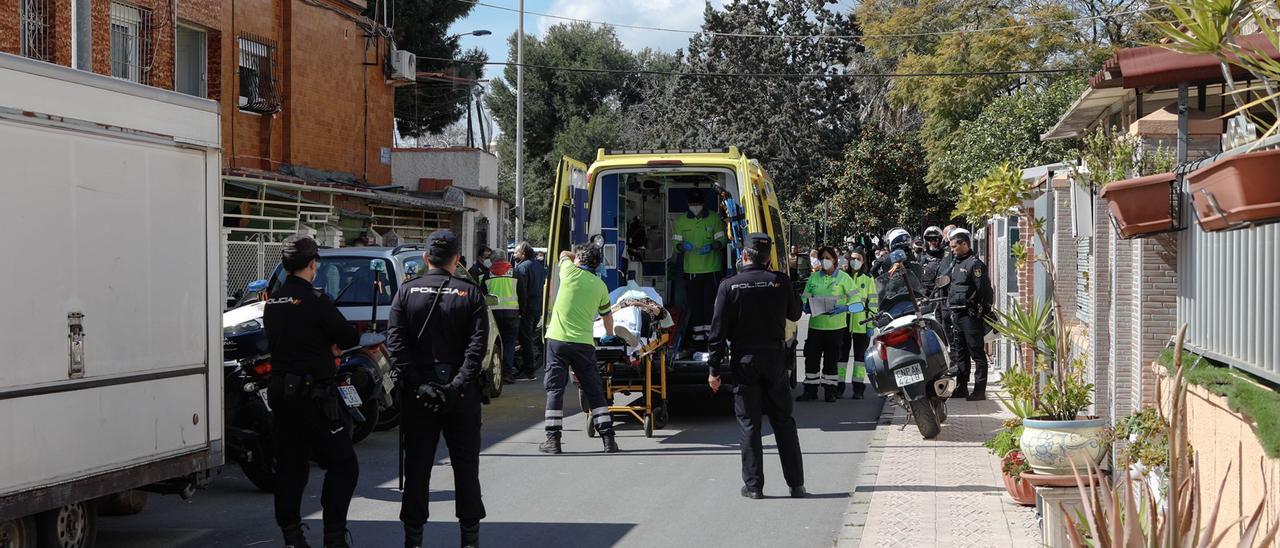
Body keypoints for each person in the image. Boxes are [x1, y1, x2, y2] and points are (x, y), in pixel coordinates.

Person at [386, 230, 489, 548]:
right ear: (457, 259)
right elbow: (477, 349)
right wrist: (457, 387)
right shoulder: (470, 294)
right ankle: (469, 539)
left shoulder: (405, 292)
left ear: (425, 258)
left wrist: (418, 385)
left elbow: (396, 344)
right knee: (466, 467)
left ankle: (413, 538)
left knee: (417, 468)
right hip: (461, 397)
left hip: (419, 398)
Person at [262, 235, 361, 548]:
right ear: (312, 264)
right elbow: (346, 336)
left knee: (291, 466)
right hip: (312, 396)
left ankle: (291, 535)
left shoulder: (272, 302)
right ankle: (334, 537)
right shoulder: (315, 299)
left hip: (281, 393)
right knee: (343, 463)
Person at [706, 233, 806, 499]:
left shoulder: (730, 286)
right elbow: (795, 314)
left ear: (744, 255)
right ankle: (796, 484)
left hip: (744, 360)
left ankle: (754, 487)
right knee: (783, 421)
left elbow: (717, 333)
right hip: (774, 359)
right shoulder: (780, 282)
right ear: (768, 256)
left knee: (750, 425)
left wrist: (714, 370)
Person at [540, 243, 620, 454]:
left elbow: (563, 253)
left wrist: (576, 257)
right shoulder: (600, 286)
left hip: (557, 341)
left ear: (579, 261)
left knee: (555, 389)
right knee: (594, 390)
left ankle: (553, 440)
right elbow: (607, 317)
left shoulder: (568, 271)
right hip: (584, 343)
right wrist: (609, 334)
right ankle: (608, 440)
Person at [798, 246, 858, 402]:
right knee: (811, 359)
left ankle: (830, 391)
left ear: (834, 260)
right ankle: (810, 391)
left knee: (831, 361)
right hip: (815, 327)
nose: (824, 261)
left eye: (828, 258)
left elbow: (858, 304)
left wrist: (844, 308)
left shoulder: (844, 279)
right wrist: (805, 306)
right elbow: (804, 297)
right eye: (822, 258)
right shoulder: (813, 278)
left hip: (836, 329)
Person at [672, 189, 727, 351]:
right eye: (692, 204)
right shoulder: (681, 221)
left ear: (703, 204)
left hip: (712, 270)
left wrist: (712, 246)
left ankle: (712, 339)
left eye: (698, 204)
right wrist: (683, 246)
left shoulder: (714, 219)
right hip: (691, 270)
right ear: (688, 205)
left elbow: (722, 240)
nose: (695, 207)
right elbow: (676, 245)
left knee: (710, 306)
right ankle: (697, 340)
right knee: (695, 306)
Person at [945, 228, 993, 401]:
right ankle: (961, 387)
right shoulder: (956, 263)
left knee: (976, 353)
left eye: (954, 247)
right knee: (961, 353)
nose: (952, 250)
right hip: (957, 314)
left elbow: (985, 290)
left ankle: (979, 391)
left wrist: (985, 310)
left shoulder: (975, 264)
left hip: (970, 315)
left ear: (964, 245)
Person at [841, 247, 878, 399]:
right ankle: (838, 387)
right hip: (843, 323)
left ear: (863, 261)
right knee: (841, 359)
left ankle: (858, 389)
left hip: (862, 324)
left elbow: (873, 303)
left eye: (858, 259)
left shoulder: (868, 279)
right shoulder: (842, 277)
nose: (855, 262)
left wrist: (871, 325)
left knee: (859, 359)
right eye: (853, 259)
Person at [484, 259, 523, 384]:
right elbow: (522, 293)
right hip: (512, 313)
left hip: (493, 312)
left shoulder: (487, 273)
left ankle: (496, 372)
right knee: (509, 344)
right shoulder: (515, 273)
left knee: (494, 343)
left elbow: (482, 293)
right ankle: (507, 374)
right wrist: (522, 311)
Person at [513, 242, 547, 380]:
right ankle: (527, 368)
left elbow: (522, 291)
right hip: (537, 308)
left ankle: (528, 371)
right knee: (528, 338)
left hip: (526, 308)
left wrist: (520, 310)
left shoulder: (522, 268)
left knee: (525, 340)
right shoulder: (539, 267)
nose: (514, 255)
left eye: (516, 253)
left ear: (523, 253)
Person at [873, 228, 924, 319]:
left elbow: (873, 271)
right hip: (915, 301)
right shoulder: (914, 257)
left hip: (895, 302)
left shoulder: (887, 258)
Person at [920, 226, 947, 298]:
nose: (932, 242)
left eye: (935, 239)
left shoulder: (946, 257)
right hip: (925, 296)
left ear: (940, 240)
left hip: (940, 296)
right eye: (929, 239)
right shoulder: (922, 258)